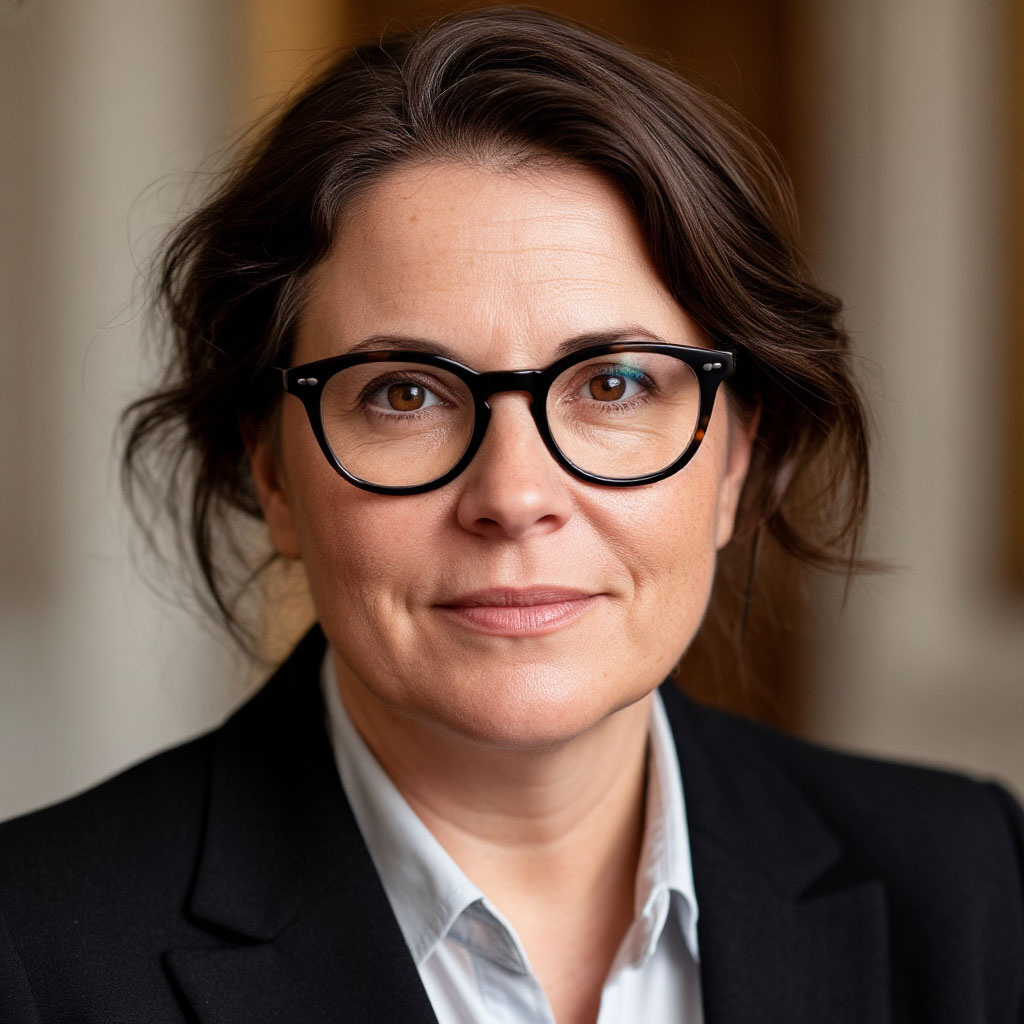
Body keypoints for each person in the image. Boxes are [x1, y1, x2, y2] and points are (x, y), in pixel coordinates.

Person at [1, 7, 1021, 1023]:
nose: (515, 497)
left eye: (614, 383)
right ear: (272, 474)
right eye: (404, 393)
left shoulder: (973, 884)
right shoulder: (32, 953)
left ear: (735, 460)